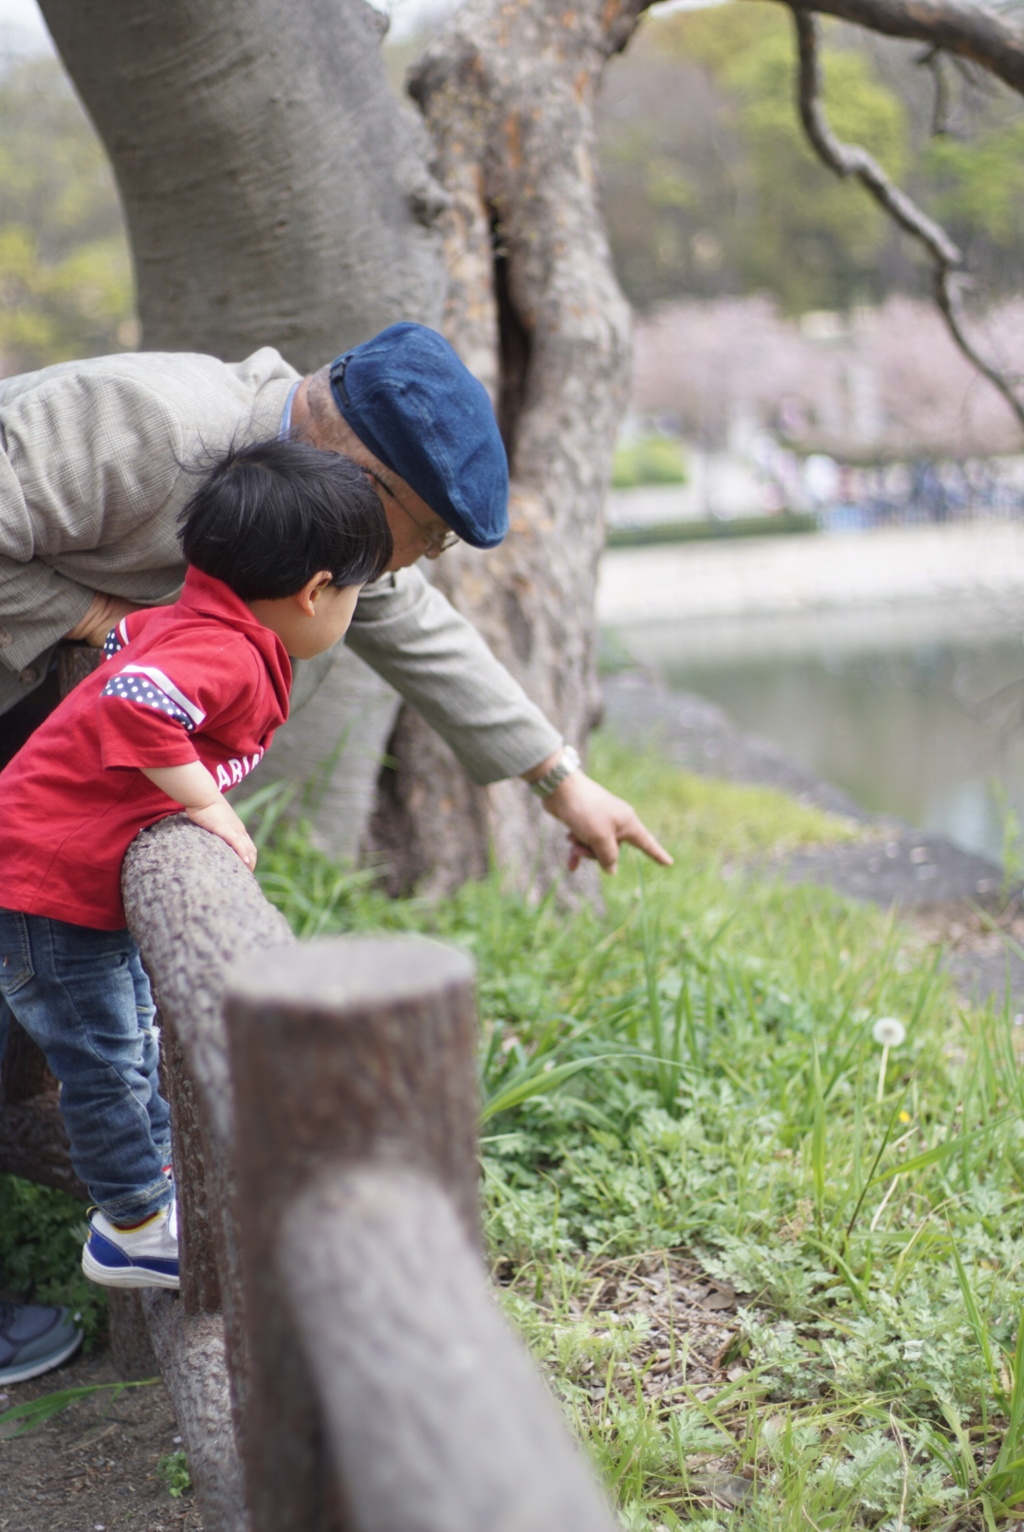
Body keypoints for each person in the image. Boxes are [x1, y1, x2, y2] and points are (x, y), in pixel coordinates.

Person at [0, 321, 670, 876]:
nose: (418, 561)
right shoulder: (152, 423)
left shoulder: (315, 507)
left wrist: (560, 781)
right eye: (433, 537)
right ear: (369, 481)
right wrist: (97, 619)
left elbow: (413, 620)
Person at [0, 438, 392, 1291]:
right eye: (359, 593)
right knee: (102, 1055)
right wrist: (206, 805)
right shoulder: (224, 651)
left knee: (133, 1032)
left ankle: (152, 1190)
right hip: (45, 882)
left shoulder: (200, 618)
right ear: (315, 591)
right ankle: (131, 1226)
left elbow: (124, 647)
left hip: (64, 873)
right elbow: (137, 703)